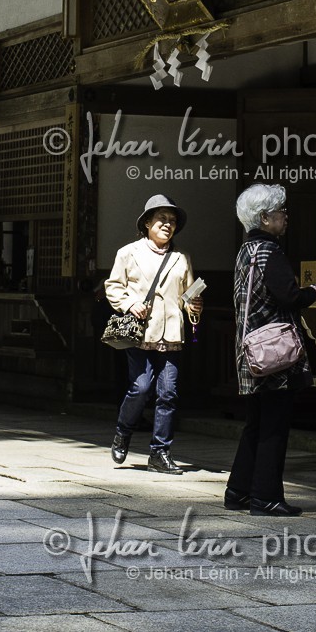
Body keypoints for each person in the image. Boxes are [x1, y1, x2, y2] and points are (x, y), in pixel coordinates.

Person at [227, 184, 316, 516]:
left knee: (256, 421)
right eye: (281, 212)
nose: (286, 217)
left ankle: (238, 490)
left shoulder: (245, 251)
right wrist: (313, 292)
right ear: (265, 218)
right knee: (274, 424)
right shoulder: (269, 251)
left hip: (249, 349)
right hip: (272, 353)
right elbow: (290, 297)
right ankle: (266, 496)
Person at [106, 193, 202, 474]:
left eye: (172, 221)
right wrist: (130, 303)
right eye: (161, 219)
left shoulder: (181, 257)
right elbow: (113, 287)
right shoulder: (128, 253)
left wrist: (194, 306)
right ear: (147, 223)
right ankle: (123, 430)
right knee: (141, 387)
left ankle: (160, 453)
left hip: (171, 333)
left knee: (168, 394)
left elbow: (188, 296)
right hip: (141, 334)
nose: (167, 224)